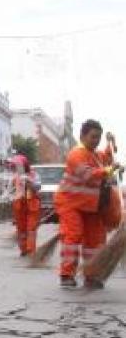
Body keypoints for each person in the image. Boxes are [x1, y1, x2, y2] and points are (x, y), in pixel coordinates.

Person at [55, 121, 119, 289]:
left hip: (91, 205)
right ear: (82, 136)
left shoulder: (95, 154)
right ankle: (66, 274)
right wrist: (109, 171)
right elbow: (88, 175)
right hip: (71, 204)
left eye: (98, 137)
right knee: (73, 236)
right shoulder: (76, 155)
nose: (96, 140)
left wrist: (110, 143)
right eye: (93, 137)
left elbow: (107, 158)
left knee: (95, 240)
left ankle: (91, 275)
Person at [11, 156, 41, 257]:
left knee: (31, 228)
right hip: (19, 205)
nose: (17, 168)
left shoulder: (34, 175)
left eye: (19, 166)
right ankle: (23, 249)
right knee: (21, 229)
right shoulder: (15, 177)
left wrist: (29, 182)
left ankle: (31, 249)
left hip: (31, 204)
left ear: (25, 165)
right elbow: (12, 190)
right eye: (16, 166)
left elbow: (37, 187)